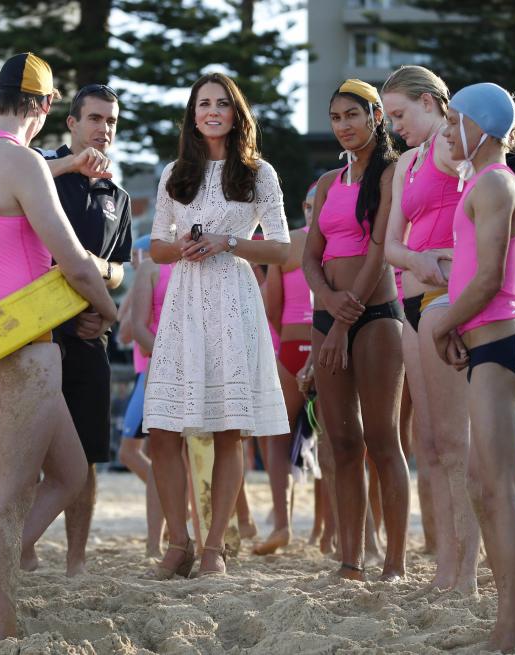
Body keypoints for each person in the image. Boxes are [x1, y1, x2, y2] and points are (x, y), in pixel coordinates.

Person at [0, 52, 117, 639]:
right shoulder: (23, 162)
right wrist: (111, 310)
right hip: (29, 347)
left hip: (2, 338)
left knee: (68, 475)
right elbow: (73, 263)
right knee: (8, 493)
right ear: (46, 107)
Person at [144, 72, 291, 577]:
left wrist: (230, 242)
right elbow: (156, 246)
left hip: (233, 296)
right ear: (192, 113)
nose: (212, 111)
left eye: (222, 104)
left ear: (235, 113)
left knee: (230, 429)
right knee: (163, 430)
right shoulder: (173, 173)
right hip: (184, 301)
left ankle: (213, 549)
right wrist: (182, 246)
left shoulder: (258, 173)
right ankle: (178, 543)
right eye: (203, 103)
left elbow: (282, 249)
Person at [431, 83, 515, 651]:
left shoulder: (494, 183)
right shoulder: (487, 182)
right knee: (482, 485)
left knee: (496, 491)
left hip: (497, 349)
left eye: (455, 121)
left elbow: (491, 278)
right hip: (485, 347)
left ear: (484, 127)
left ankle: (510, 630)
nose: (447, 131)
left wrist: (444, 325)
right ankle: (510, 620)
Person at [19, 82, 132, 577]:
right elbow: (13, 181)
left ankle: (76, 560)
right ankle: (20, 547)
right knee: (30, 447)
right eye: (95, 119)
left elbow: (121, 266)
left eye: (111, 121)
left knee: (85, 452)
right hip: (40, 331)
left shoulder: (118, 195)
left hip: (91, 332)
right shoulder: (44, 170)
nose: (103, 129)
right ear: (72, 122)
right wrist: (71, 164)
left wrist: (100, 287)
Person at [301, 79, 407, 580]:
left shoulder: (390, 175)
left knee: (383, 438)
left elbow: (380, 250)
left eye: (353, 116)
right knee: (341, 441)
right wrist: (327, 303)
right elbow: (309, 256)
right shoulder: (326, 183)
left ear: (376, 118)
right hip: (330, 316)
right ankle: (350, 559)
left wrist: (345, 319)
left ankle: (395, 561)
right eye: (337, 117)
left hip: (377, 315)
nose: (344, 126)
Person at [381, 65, 478, 593]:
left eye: (399, 114)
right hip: (412, 303)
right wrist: (420, 259)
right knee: (428, 440)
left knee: (455, 441)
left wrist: (447, 260)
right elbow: (392, 246)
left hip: (449, 302)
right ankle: (446, 563)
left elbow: (487, 219)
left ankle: (465, 570)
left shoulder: (450, 146)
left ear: (431, 102)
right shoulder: (406, 164)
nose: (393, 125)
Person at [257, 180, 317, 556]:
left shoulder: (290, 243)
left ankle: (282, 522)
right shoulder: (348, 241)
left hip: (293, 346)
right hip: (331, 345)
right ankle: (338, 532)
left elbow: (272, 309)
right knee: (339, 443)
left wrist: (287, 347)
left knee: (278, 440)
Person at [118, 234, 169, 557]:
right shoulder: (157, 274)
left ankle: (159, 533)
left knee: (136, 453)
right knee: (158, 454)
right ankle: (173, 500)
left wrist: (136, 283)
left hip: (150, 370)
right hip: (150, 368)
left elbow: (124, 331)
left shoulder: (151, 273)